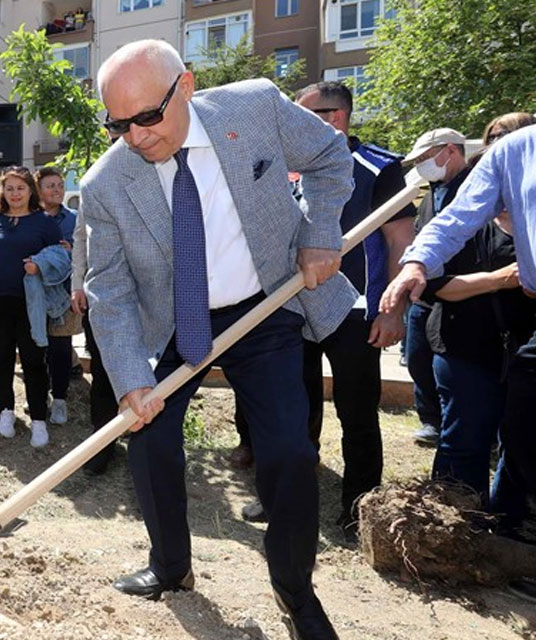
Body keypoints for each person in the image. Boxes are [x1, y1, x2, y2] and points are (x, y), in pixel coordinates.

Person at [82, 40, 354, 639]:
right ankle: (170, 566)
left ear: (186, 86)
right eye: (118, 123)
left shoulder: (253, 108)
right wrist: (131, 379)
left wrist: (320, 230)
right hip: (176, 326)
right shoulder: (105, 184)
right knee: (150, 445)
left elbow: (332, 156)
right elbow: (108, 288)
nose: (134, 137)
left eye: (147, 118)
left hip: (265, 309)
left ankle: (294, 590)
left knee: (288, 453)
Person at [239, 81, 416, 535]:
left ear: (334, 117)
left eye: (302, 116)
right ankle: (284, 497)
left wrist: (391, 308)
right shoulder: (284, 170)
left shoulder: (379, 168)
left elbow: (399, 241)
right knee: (291, 413)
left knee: (357, 414)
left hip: (354, 313)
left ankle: (358, 509)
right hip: (290, 309)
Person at [383, 123, 536, 607]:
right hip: (468, 343)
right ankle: (478, 535)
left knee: (518, 431)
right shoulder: (512, 156)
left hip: (512, 341)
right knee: (500, 433)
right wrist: (416, 263)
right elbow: (450, 231)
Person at [0, 166, 63, 448]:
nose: (15, 193)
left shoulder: (44, 221)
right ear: (2, 191)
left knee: (34, 361)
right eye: (9, 188)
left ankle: (38, 420)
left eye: (20, 188)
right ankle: (6, 412)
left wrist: (40, 265)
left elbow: (60, 256)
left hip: (31, 305)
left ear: (30, 191)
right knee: (2, 359)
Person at [402, 128, 471, 446]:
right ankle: (430, 419)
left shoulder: (474, 188)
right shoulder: (431, 193)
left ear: (450, 151)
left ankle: (460, 423)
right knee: (418, 357)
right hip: (424, 291)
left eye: (426, 157)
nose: (422, 166)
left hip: (461, 291)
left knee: (455, 366)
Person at [70, 184, 119, 476]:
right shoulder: (98, 180)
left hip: (150, 298)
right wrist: (78, 283)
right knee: (102, 373)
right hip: (100, 295)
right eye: (116, 133)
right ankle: (103, 443)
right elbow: (80, 237)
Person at [37, 167, 78, 425]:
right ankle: (39, 399)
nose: (56, 190)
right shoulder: (30, 217)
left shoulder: (74, 218)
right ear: (38, 190)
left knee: (61, 348)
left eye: (60, 185)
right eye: (50, 185)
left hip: (63, 294)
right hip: (35, 293)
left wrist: (71, 249)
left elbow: (87, 250)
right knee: (36, 349)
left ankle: (60, 399)